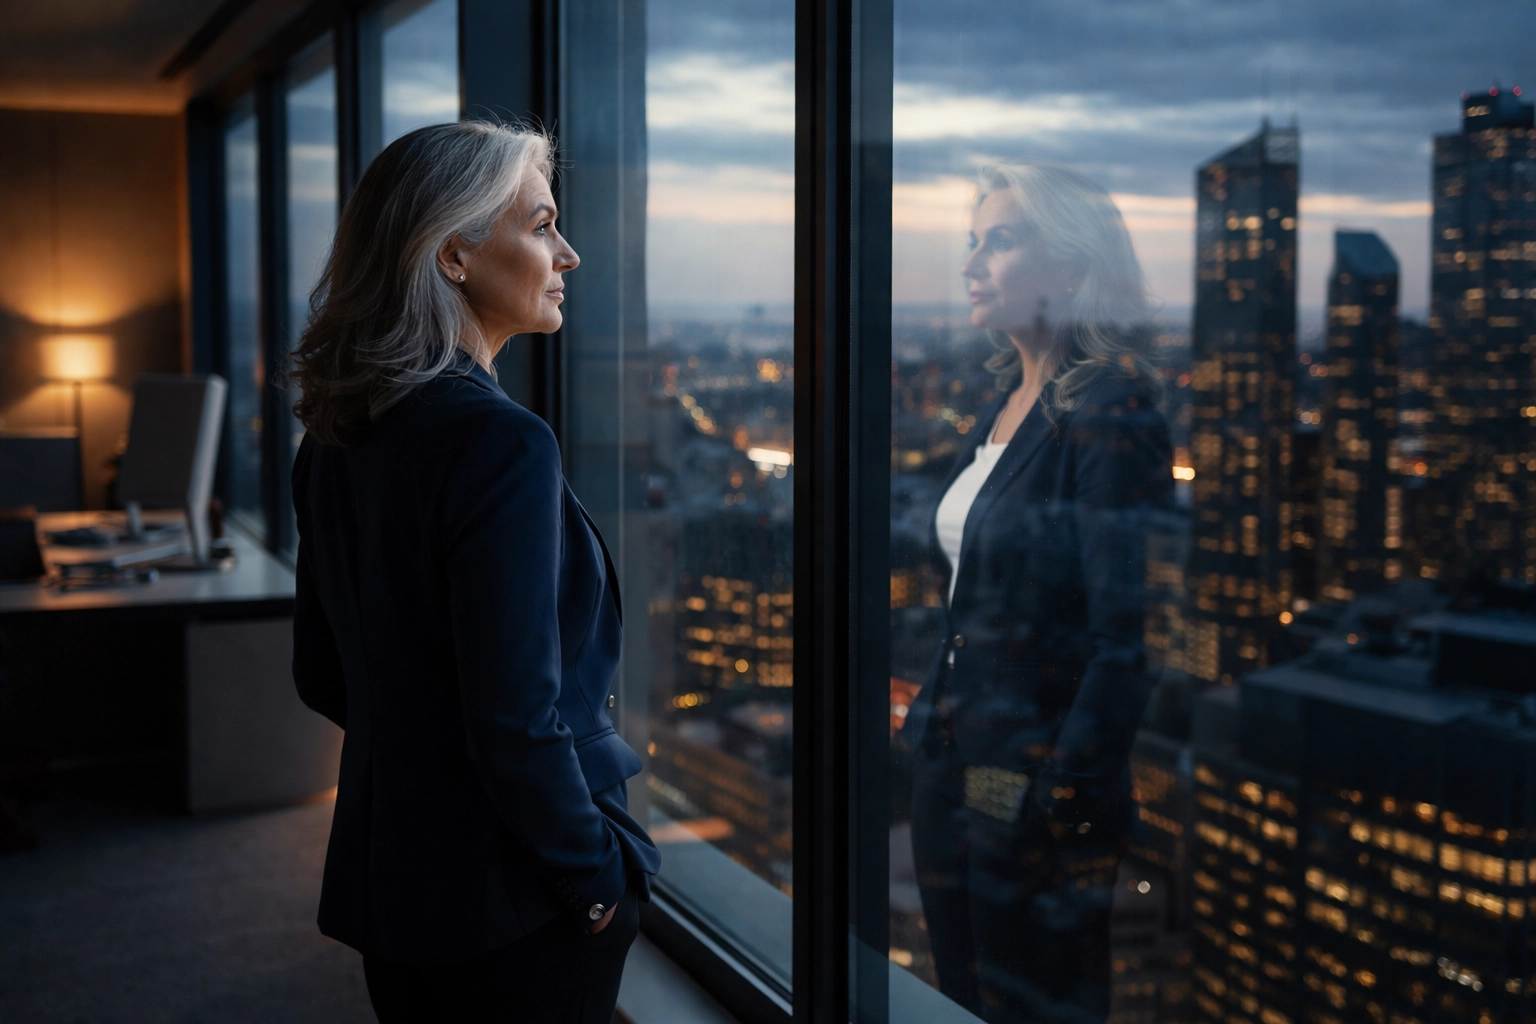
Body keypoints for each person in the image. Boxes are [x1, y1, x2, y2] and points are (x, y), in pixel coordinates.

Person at [287, 120, 658, 1022]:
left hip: (398, 889)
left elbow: (322, 673)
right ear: (453, 254)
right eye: (541, 225)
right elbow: (516, 721)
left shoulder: (338, 438)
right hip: (517, 902)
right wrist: (598, 885)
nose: (566, 254)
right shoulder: (499, 441)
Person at [902, 165, 1173, 1023]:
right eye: (973, 242)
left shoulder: (1111, 408)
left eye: (1002, 240)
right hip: (954, 773)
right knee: (965, 1000)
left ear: (1070, 267)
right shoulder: (1006, 405)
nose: (973, 263)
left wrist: (1057, 796)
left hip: (1028, 798)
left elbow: (1126, 636)